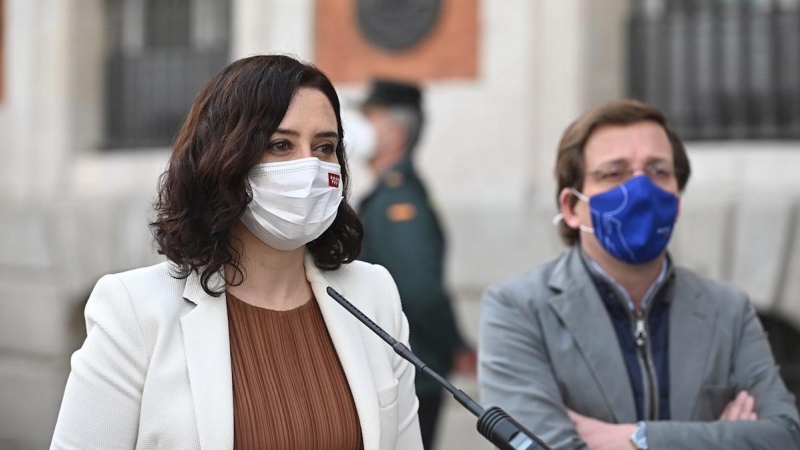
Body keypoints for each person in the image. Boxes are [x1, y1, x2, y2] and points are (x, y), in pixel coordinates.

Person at [51, 55, 423, 450]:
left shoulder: (374, 295)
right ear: (224, 160)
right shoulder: (134, 311)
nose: (310, 167)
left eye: (325, 147)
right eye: (280, 145)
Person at [478, 100, 800, 450]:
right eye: (614, 173)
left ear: (676, 199)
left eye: (658, 171)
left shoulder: (729, 310)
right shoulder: (517, 309)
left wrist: (639, 440)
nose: (641, 191)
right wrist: (720, 440)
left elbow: (783, 436)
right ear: (571, 207)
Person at [355, 79, 476, 449]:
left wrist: (453, 346)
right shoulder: (392, 193)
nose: (357, 126)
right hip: (403, 370)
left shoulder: (399, 200)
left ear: (394, 133)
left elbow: (420, 289)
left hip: (411, 372)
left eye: (368, 117)